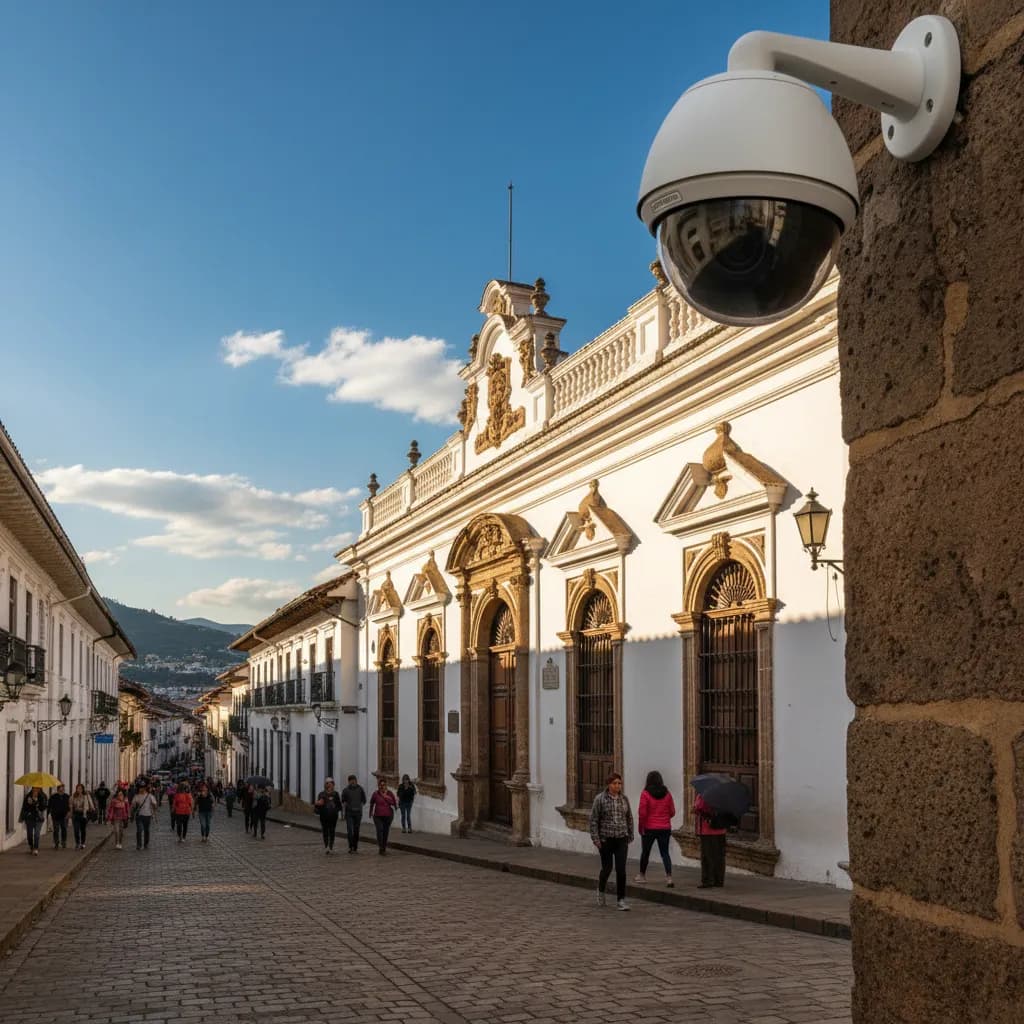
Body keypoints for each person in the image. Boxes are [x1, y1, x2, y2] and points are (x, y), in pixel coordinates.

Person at [589, 771, 634, 911]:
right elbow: (594, 820)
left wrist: (630, 834)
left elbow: (629, 817)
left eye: (619, 783)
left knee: (621, 870)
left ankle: (621, 900)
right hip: (606, 839)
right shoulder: (600, 799)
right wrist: (596, 838)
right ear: (608, 785)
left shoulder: (624, 799)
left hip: (621, 838)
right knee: (607, 868)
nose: (617, 786)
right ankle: (601, 891)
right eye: (614, 783)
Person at [635, 770, 676, 887]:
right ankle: (669, 877)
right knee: (665, 853)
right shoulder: (667, 794)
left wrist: (641, 827)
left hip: (649, 828)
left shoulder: (645, 794)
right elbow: (672, 812)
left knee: (645, 852)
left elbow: (642, 813)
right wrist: (664, 818)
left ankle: (642, 876)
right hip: (665, 828)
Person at [693, 791, 728, 888]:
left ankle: (708, 880)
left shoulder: (704, 794)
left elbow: (699, 807)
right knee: (719, 856)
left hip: (708, 830)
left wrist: (695, 808)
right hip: (721, 830)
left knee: (707, 856)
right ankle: (719, 880)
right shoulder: (725, 796)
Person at [369, 777, 398, 855]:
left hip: (388, 816)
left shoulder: (389, 793)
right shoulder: (375, 794)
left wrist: (385, 796)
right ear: (378, 786)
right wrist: (370, 812)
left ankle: (383, 848)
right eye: (380, 785)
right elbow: (372, 803)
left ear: (386, 785)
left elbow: (393, 803)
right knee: (379, 830)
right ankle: (380, 847)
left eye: (383, 785)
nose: (382, 786)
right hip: (377, 816)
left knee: (385, 832)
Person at [314, 778, 343, 854]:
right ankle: (326, 846)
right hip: (324, 816)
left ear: (333, 785)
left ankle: (331, 846)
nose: (329, 785)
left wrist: (336, 809)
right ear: (325, 785)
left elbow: (339, 805)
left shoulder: (336, 794)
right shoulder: (321, 794)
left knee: (332, 831)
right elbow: (317, 806)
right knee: (325, 831)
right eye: (327, 783)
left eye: (330, 783)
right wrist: (318, 804)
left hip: (333, 816)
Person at [341, 775, 367, 853]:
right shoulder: (345, 790)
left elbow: (364, 800)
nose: (352, 782)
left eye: (354, 780)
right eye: (351, 780)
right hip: (349, 813)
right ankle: (350, 847)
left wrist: (360, 806)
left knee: (356, 831)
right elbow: (343, 801)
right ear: (348, 781)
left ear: (356, 780)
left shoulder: (360, 789)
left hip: (358, 813)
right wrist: (343, 812)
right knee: (350, 830)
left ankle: (355, 847)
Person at [19, 786, 48, 855]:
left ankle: (35, 848)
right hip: (30, 818)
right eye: (34, 788)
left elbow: (43, 807)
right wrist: (30, 804)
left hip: (39, 818)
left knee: (37, 834)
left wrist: (36, 801)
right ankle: (31, 846)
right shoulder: (28, 796)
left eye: (37, 788)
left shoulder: (43, 796)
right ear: (32, 788)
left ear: (40, 788)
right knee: (29, 834)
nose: (36, 789)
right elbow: (25, 807)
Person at [130, 783, 158, 850]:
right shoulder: (136, 796)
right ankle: (139, 845)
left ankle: (146, 844)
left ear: (145, 788)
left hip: (147, 815)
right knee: (139, 830)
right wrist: (131, 814)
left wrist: (154, 806)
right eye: (140, 788)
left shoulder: (150, 796)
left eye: (142, 787)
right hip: (139, 815)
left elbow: (155, 805)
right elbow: (132, 806)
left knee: (146, 830)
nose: (140, 789)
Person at [70, 783, 96, 850]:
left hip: (83, 815)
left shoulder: (86, 796)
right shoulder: (73, 796)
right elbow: (70, 804)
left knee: (82, 830)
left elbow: (91, 804)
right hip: (75, 815)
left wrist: (92, 809)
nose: (79, 790)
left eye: (80, 788)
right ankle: (77, 843)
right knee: (76, 829)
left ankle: (83, 843)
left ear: (82, 789)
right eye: (78, 788)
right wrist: (71, 811)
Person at [48, 784, 70, 849]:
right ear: (58, 789)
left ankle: (63, 842)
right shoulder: (53, 797)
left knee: (64, 829)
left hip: (64, 816)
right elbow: (49, 805)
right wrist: (50, 813)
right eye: (60, 789)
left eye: (63, 789)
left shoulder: (67, 796)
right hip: (55, 816)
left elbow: (70, 805)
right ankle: (56, 842)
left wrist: (69, 812)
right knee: (56, 830)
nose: (62, 790)